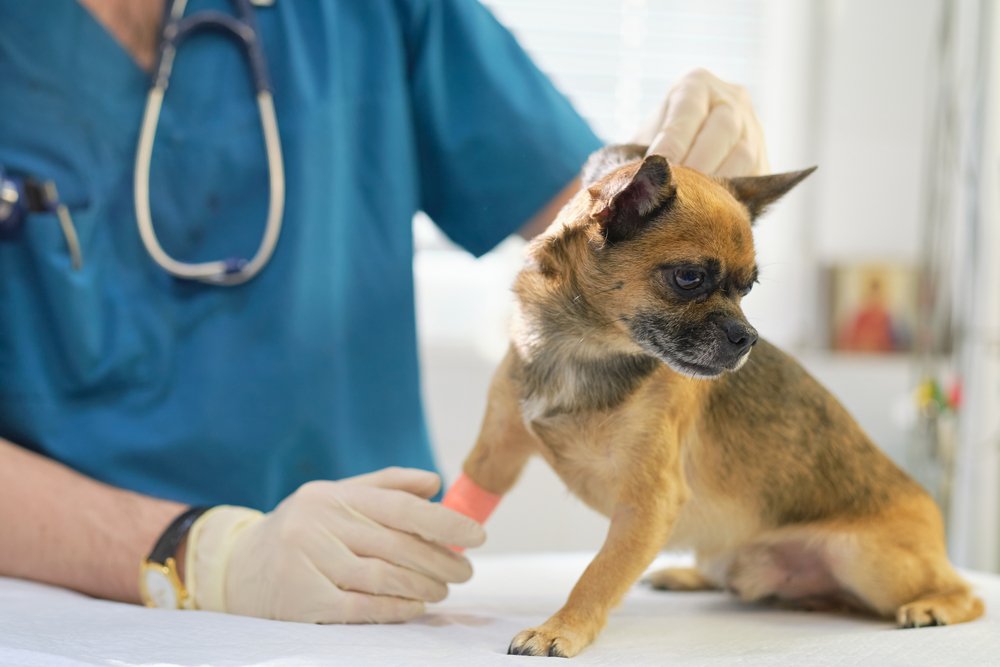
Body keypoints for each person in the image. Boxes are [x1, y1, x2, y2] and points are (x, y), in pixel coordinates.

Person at [0, 0, 768, 623]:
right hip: (65, 601)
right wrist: (207, 554)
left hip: (380, 585)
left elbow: (595, 232)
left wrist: (711, 172)